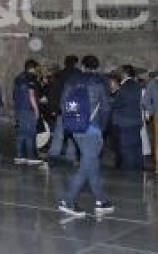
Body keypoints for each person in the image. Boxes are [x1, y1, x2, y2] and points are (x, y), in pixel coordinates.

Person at [57, 55, 114, 218]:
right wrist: (102, 128)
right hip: (92, 129)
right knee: (86, 166)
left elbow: (63, 103)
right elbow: (106, 108)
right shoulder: (100, 82)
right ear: (97, 67)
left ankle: (101, 200)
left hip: (75, 128)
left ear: (82, 66)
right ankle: (67, 201)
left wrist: (71, 121)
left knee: (92, 164)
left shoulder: (72, 81)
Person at [47, 56, 81, 165]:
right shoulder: (79, 75)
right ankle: (70, 156)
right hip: (73, 107)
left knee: (58, 132)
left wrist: (53, 108)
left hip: (61, 108)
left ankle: (53, 153)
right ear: (75, 63)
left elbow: (53, 93)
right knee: (72, 134)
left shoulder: (59, 75)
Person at [111, 64, 144, 171]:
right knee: (136, 148)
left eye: (120, 71)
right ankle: (138, 169)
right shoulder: (136, 85)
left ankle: (129, 172)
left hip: (125, 122)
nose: (118, 73)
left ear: (124, 73)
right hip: (135, 120)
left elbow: (119, 102)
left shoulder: (125, 86)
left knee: (127, 149)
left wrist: (112, 95)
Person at [12, 60, 42, 165]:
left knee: (21, 133)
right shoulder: (31, 78)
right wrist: (36, 109)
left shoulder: (18, 78)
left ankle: (19, 156)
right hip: (29, 109)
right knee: (30, 133)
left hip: (19, 109)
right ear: (33, 68)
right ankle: (31, 157)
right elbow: (31, 95)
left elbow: (14, 95)